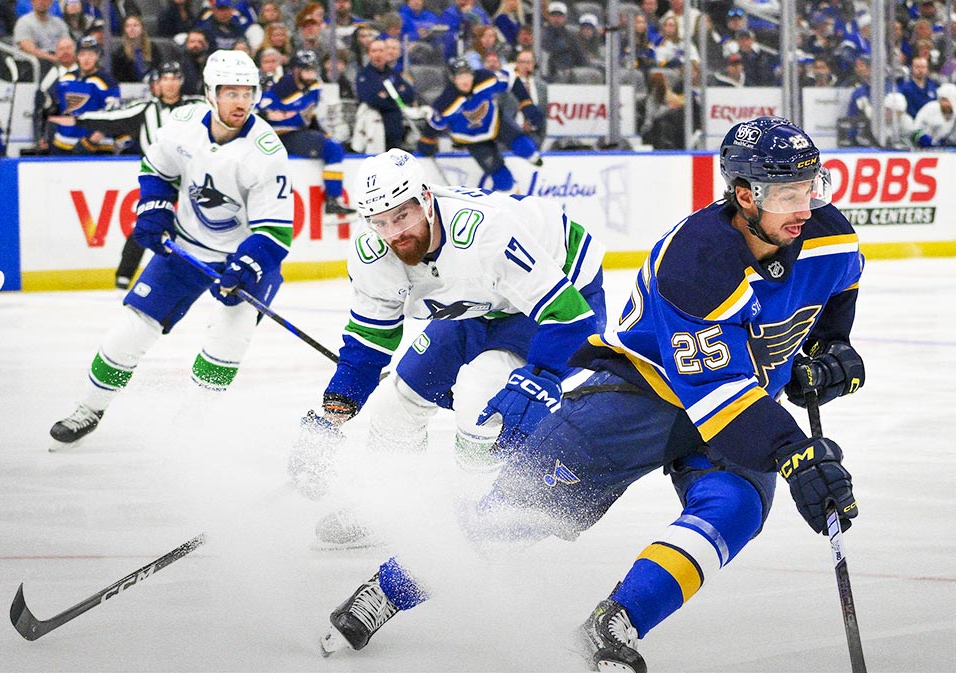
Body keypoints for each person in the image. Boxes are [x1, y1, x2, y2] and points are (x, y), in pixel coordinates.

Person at [317, 118, 864, 672]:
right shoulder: (695, 261)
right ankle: (384, 592)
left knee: (736, 509)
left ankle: (617, 621)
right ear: (746, 195)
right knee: (515, 515)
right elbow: (715, 393)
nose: (806, 205)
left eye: (812, 187)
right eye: (789, 194)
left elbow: (838, 290)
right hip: (638, 399)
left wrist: (828, 352)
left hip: (742, 407)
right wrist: (794, 451)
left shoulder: (830, 234)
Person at [290, 148, 607, 547]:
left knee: (480, 400)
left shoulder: (488, 235)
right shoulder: (373, 253)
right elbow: (369, 340)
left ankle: (478, 510)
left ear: (425, 199)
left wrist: (541, 377)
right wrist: (330, 418)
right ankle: (387, 506)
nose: (393, 234)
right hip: (476, 304)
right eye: (380, 221)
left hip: (559, 292)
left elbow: (571, 319)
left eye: (401, 215)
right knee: (396, 404)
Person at [48, 50, 293, 446]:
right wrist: (155, 211)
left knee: (226, 344)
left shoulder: (266, 153)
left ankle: (190, 427)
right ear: (211, 94)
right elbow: (157, 171)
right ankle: (90, 408)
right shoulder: (181, 126)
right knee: (128, 332)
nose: (241, 102)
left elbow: (276, 232)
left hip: (243, 260)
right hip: (186, 250)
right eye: (231, 92)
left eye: (248, 92)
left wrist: (247, 266)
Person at [49, 61, 202, 288]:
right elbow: (112, 119)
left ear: (180, 81)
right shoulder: (145, 108)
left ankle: (212, 272)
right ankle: (124, 275)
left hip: (193, 176)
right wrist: (79, 119)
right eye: (165, 78)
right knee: (148, 222)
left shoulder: (195, 106)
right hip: (161, 180)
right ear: (157, 83)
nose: (170, 83)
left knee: (210, 221)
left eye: (174, 78)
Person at [417, 56, 544, 193]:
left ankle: (532, 156)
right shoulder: (446, 102)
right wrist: (426, 143)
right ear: (453, 79)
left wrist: (527, 105)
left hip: (495, 121)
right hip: (471, 138)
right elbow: (435, 125)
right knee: (503, 180)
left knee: (524, 146)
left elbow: (512, 80)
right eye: (460, 77)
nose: (466, 80)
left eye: (468, 75)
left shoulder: (485, 78)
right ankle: (511, 199)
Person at [257, 49, 355, 217]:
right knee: (333, 149)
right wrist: (266, 114)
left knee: (334, 148)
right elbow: (256, 110)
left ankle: (333, 200)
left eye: (313, 69)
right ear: (296, 70)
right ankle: (333, 199)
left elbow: (310, 115)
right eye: (306, 69)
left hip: (297, 134)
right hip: (275, 137)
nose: (311, 73)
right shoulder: (280, 87)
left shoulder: (315, 86)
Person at [43, 36, 121, 154]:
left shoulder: (107, 82)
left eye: (91, 55)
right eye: (83, 54)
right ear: (77, 56)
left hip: (97, 147)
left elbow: (113, 116)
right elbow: (55, 109)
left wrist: (92, 141)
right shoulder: (66, 78)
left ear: (97, 56)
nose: (86, 59)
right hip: (64, 143)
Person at [354, 38, 422, 153]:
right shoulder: (364, 75)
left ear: (386, 53)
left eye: (381, 50)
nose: (378, 54)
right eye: (374, 51)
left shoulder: (393, 74)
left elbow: (409, 94)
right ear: (369, 54)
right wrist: (396, 99)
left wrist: (386, 96)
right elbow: (372, 99)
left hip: (395, 131)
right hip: (374, 131)